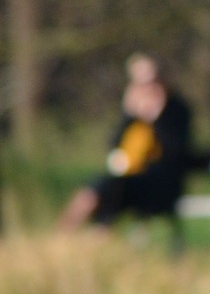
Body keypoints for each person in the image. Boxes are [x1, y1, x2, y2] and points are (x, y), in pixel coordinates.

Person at [59, 54, 194, 231]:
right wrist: (130, 114)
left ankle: (99, 236)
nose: (146, 89)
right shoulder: (133, 116)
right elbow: (114, 146)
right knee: (91, 193)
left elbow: (174, 151)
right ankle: (62, 240)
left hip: (160, 183)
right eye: (139, 83)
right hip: (127, 179)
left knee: (112, 190)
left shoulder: (177, 112)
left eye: (150, 82)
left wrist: (155, 115)